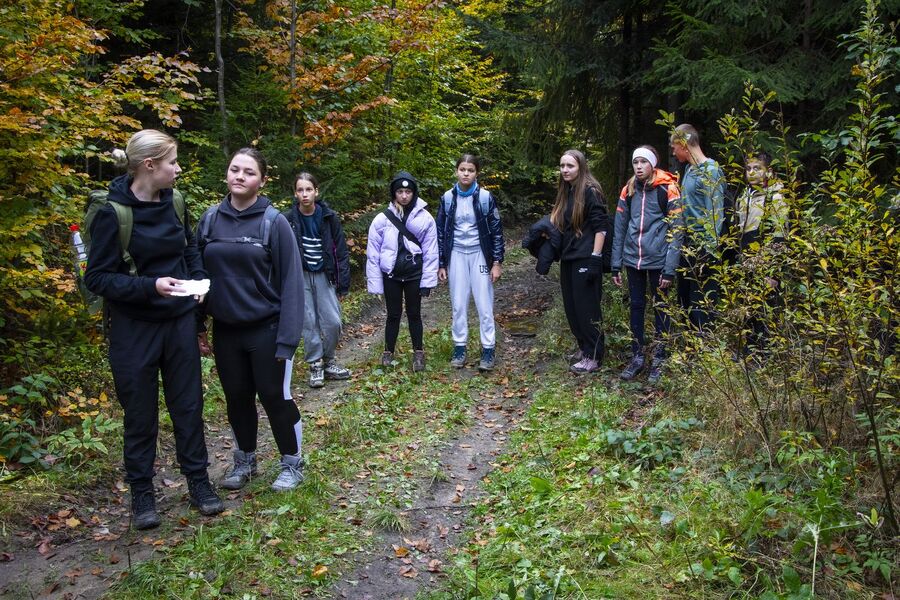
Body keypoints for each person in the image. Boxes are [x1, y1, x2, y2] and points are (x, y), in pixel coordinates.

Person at [84, 129, 223, 530]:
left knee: (188, 407)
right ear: (149, 166)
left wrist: (198, 283)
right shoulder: (113, 213)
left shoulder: (175, 201)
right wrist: (151, 286)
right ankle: (142, 494)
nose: (178, 169)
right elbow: (98, 278)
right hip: (134, 330)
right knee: (140, 414)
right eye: (172, 162)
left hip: (177, 323)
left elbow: (189, 247)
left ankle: (199, 482)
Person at [197, 148, 306, 492]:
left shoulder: (274, 222)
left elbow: (292, 282)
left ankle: (292, 463)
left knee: (274, 396)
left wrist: (288, 339)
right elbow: (197, 276)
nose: (240, 176)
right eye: (235, 169)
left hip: (267, 329)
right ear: (226, 174)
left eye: (249, 172)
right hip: (226, 330)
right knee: (236, 397)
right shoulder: (210, 220)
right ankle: (244, 460)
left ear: (262, 180)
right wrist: (198, 325)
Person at [611, 145, 684, 384]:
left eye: (644, 162)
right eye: (636, 162)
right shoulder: (629, 189)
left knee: (661, 307)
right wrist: (615, 264)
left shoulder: (668, 188)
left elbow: (677, 230)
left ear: (653, 164)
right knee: (636, 306)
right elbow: (620, 227)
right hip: (633, 259)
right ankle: (637, 355)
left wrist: (670, 269)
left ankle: (660, 356)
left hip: (658, 260)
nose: (639, 166)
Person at [436, 154, 505, 371]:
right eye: (462, 169)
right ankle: (459, 347)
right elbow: (440, 232)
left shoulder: (485, 197)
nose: (466, 174)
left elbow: (496, 231)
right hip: (456, 253)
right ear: (456, 171)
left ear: (477, 173)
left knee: (484, 304)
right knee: (458, 304)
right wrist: (441, 263)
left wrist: (496, 262)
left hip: (479, 254)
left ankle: (488, 349)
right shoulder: (447, 198)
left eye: (471, 170)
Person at [284, 172, 351, 388]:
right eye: (300, 190)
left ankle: (329, 360)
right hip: (300, 276)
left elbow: (340, 250)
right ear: (295, 193)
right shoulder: (288, 219)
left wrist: (343, 283)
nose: (305, 194)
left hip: (324, 273)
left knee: (333, 322)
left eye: (308, 189)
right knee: (308, 322)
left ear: (316, 191)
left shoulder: (329, 217)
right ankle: (315, 364)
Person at [366, 171, 439, 372]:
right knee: (393, 315)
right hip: (391, 275)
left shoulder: (425, 219)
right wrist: (375, 283)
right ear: (394, 193)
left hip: (414, 274)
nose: (404, 196)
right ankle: (388, 352)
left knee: (414, 314)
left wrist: (427, 282)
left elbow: (431, 251)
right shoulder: (382, 219)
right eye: (400, 191)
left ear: (414, 193)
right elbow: (373, 253)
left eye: (408, 192)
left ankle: (418, 353)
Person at [551, 149, 610, 374]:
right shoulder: (568, 191)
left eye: (570, 166)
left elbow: (601, 227)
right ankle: (584, 348)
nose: (565, 170)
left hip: (586, 257)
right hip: (569, 257)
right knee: (572, 308)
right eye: (562, 166)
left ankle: (594, 355)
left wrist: (595, 258)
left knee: (587, 309)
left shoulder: (591, 191)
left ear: (581, 167)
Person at [671, 123, 726, 331]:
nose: (673, 152)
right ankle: (689, 346)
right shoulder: (688, 169)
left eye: (674, 147)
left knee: (701, 303)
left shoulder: (711, 170)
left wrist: (709, 249)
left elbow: (715, 211)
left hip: (704, 247)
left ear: (683, 144)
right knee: (684, 300)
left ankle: (705, 344)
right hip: (688, 245)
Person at [735, 151, 788, 353]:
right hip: (747, 259)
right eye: (748, 168)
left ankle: (765, 353)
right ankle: (749, 351)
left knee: (766, 309)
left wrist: (773, 272)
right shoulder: (745, 196)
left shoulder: (775, 197)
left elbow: (779, 236)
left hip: (766, 261)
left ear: (769, 171)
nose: (751, 172)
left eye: (757, 168)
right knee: (748, 307)